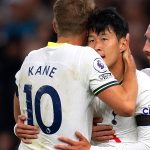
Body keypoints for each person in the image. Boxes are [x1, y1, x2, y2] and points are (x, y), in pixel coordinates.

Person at [14, 1, 138, 149]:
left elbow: (19, 113)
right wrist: (130, 64)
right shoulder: (85, 57)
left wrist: (17, 127)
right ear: (87, 29)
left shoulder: (31, 58)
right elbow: (127, 106)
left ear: (54, 25)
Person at [54, 8, 150, 150]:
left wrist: (91, 149)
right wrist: (84, 129)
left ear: (123, 43)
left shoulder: (143, 83)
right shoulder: (79, 83)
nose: (97, 47)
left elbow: (147, 145)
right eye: (91, 40)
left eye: (104, 39)